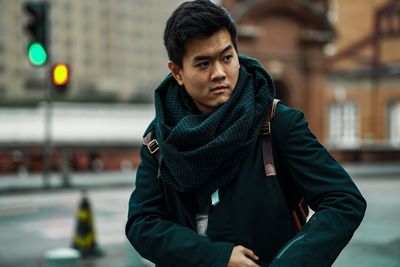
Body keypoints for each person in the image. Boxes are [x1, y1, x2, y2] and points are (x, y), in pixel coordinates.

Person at [125, 1, 366, 266]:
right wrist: (215, 257)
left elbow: (344, 201)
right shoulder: (160, 137)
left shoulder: (277, 123)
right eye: (203, 64)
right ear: (178, 72)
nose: (219, 73)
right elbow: (142, 223)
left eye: (227, 58)